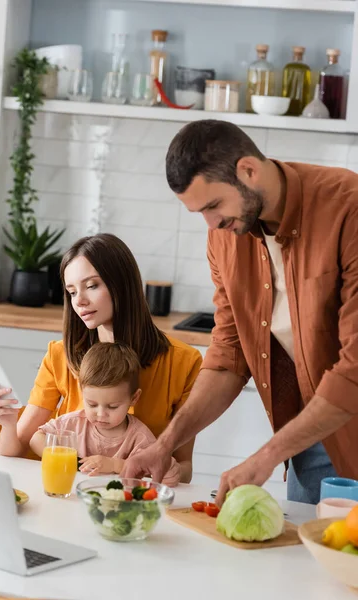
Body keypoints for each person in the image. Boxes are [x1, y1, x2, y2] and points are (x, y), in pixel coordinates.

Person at [123, 119, 358, 505]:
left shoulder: (347, 207)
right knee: (303, 560)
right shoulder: (225, 237)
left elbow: (354, 367)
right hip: (311, 435)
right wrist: (163, 445)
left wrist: (265, 456)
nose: (212, 224)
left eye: (214, 205)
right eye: (200, 212)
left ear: (248, 170)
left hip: (345, 417)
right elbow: (228, 356)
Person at [0, 234, 202, 482]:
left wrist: (171, 471)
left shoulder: (184, 362)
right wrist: (8, 422)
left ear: (122, 283)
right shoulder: (60, 355)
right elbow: (19, 447)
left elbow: (184, 468)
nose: (79, 301)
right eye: (71, 291)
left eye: (91, 286)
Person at [30, 342, 180, 486]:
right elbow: (36, 439)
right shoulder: (73, 423)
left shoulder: (140, 438)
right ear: (83, 393)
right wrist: (69, 460)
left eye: (113, 407)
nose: (101, 414)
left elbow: (157, 473)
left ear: (134, 398)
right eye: (92, 404)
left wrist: (114, 465)